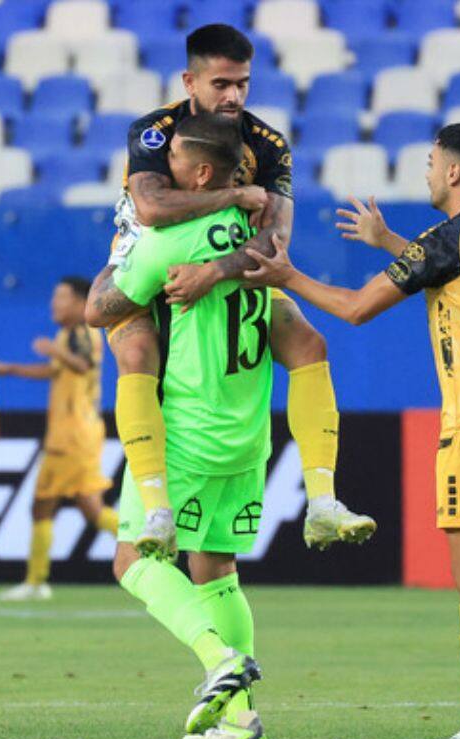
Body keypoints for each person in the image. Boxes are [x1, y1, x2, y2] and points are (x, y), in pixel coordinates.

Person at [241, 123, 460, 739]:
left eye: (434, 162)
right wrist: (391, 243)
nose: (429, 172)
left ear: (456, 173)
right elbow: (458, 274)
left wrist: (288, 277)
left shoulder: (444, 239)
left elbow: (356, 309)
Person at [100, 23, 373, 554]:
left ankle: (321, 501)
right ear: (190, 80)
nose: (233, 96)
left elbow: (277, 239)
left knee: (309, 344)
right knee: (135, 350)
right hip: (150, 265)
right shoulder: (154, 132)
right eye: (221, 83)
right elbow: (152, 208)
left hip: (230, 266)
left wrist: (215, 272)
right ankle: (156, 506)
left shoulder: (267, 143)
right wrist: (236, 197)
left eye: (242, 84)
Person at [87, 112, 271, 739]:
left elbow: (98, 310)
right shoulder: (258, 237)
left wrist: (121, 253)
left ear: (199, 174)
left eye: (169, 172)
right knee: (216, 567)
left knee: (132, 559)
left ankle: (219, 660)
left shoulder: (170, 242)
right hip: (247, 427)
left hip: (188, 425)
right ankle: (241, 715)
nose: (155, 182)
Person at [0, 277, 120, 600]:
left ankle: (36, 583)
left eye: (61, 297)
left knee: (46, 506)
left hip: (72, 436)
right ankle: (154, 543)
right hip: (75, 434)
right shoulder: (69, 334)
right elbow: (57, 370)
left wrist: (55, 350)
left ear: (80, 303)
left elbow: (81, 365)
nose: (54, 304)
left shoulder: (82, 332)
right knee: (84, 509)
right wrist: (10, 369)